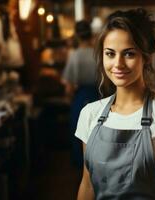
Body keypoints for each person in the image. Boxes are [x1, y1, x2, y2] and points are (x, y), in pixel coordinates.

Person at [75, 8, 155, 199]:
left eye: (129, 54)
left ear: (146, 57)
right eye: (110, 54)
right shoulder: (90, 114)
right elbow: (88, 185)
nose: (118, 64)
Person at [62, 20, 99, 169]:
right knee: (97, 135)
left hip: (80, 98)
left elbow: (69, 86)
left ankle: (81, 171)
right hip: (98, 97)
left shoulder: (74, 55)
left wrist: (69, 98)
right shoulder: (98, 54)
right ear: (91, 35)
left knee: (79, 135)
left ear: (77, 36)